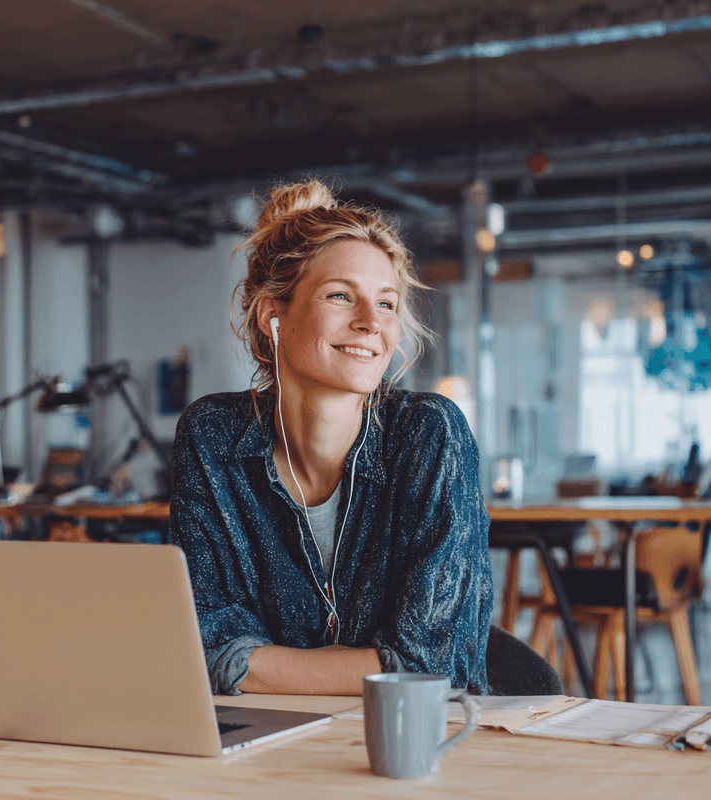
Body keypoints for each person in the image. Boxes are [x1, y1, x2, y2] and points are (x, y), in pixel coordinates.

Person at [170, 180, 493, 696]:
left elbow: (431, 667)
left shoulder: (429, 434)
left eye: (386, 304)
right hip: (265, 746)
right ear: (273, 316)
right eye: (341, 296)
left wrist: (256, 664)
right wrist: (371, 667)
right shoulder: (212, 436)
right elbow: (200, 648)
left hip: (419, 747)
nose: (371, 324)